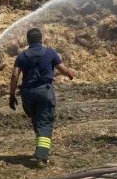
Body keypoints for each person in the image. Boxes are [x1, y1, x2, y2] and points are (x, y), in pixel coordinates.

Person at [8, 28, 76, 166]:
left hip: (27, 94)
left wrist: (11, 95)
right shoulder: (50, 52)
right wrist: (69, 74)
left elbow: (15, 76)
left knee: (37, 121)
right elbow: (62, 69)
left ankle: (40, 149)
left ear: (28, 41)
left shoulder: (22, 56)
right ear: (41, 39)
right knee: (45, 123)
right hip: (44, 92)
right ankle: (42, 158)